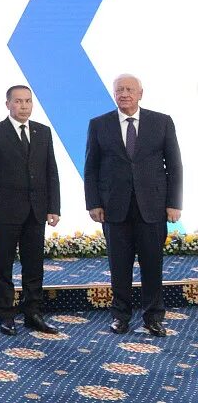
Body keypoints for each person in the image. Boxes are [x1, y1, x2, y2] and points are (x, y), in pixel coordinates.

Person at [84, 74, 182, 337]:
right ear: (114, 94)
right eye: (119, 90)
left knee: (153, 265)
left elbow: (174, 165)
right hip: (114, 208)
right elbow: (91, 168)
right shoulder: (99, 124)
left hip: (153, 207)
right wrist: (93, 203)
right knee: (119, 266)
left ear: (140, 93)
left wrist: (174, 203)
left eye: (129, 89)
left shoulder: (161, 122)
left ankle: (153, 317)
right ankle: (120, 316)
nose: (124, 94)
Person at [0, 85, 61, 336]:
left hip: (36, 211)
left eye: (28, 101)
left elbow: (51, 171)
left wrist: (53, 207)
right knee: (3, 266)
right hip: (4, 213)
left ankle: (33, 313)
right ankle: (6, 314)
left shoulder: (43, 131)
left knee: (34, 266)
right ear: (8, 104)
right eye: (18, 101)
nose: (24, 106)